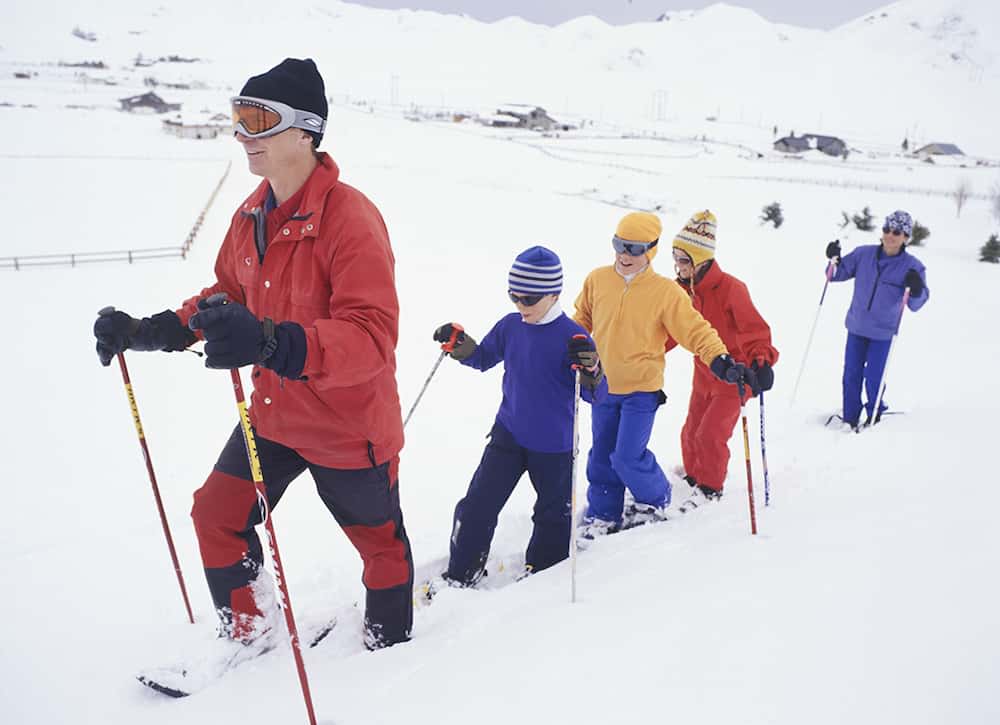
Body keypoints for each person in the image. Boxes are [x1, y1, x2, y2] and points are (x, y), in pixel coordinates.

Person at [93, 58, 413, 652]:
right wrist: (151, 330)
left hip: (348, 427)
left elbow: (371, 338)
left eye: (258, 118)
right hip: (274, 415)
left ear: (306, 130)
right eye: (238, 116)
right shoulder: (250, 215)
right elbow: (226, 298)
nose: (242, 134)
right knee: (214, 515)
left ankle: (388, 651)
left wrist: (272, 343)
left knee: (380, 546)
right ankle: (249, 631)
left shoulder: (351, 220)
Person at [432, 246, 607, 585]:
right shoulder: (511, 325)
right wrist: (460, 344)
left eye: (528, 299)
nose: (519, 306)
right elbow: (482, 358)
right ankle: (461, 574)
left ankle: (543, 577)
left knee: (552, 516)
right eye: (513, 296)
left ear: (553, 294)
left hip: (554, 446)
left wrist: (590, 368)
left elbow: (596, 394)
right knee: (477, 507)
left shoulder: (573, 337)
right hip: (508, 434)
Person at [572, 212, 750, 536]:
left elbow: (696, 331)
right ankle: (603, 513)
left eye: (634, 249)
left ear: (650, 250)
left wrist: (719, 358)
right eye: (619, 245)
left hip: (642, 389)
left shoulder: (666, 292)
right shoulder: (597, 280)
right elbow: (581, 320)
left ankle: (654, 499)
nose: (624, 255)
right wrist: (571, 347)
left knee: (627, 455)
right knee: (601, 456)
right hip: (602, 385)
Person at [665, 210, 778, 508]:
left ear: (701, 260)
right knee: (690, 431)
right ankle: (692, 476)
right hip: (703, 373)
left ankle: (710, 488)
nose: (678, 265)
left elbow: (754, 330)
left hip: (734, 377)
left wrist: (761, 363)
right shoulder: (680, 292)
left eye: (684, 260)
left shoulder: (732, 289)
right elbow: (672, 331)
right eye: (675, 257)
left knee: (710, 435)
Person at [826, 209, 929, 431]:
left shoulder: (912, 267)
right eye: (886, 229)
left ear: (906, 238)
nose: (890, 235)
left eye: (897, 232)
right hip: (857, 327)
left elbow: (916, 303)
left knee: (873, 378)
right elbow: (834, 275)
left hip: (883, 333)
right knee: (851, 375)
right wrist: (833, 259)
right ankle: (850, 418)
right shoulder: (863, 254)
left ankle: (874, 413)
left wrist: (917, 288)